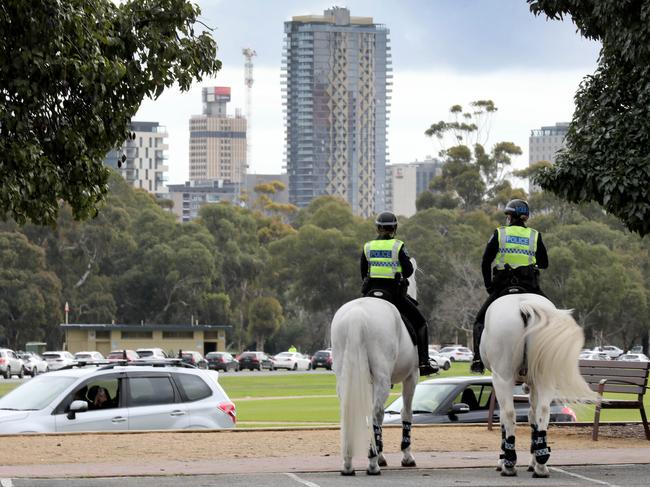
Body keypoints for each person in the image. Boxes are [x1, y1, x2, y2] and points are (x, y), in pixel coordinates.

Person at [470, 199, 549, 374]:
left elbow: (485, 262)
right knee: (555, 318)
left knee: (479, 321)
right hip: (530, 287)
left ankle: (477, 360)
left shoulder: (500, 234)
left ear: (510, 217)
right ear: (525, 218)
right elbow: (544, 263)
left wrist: (488, 285)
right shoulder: (534, 235)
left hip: (502, 286)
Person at [360, 211, 437, 376]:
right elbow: (408, 271)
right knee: (421, 323)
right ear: (394, 229)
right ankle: (424, 363)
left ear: (378, 228)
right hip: (393, 295)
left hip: (370, 294)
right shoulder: (398, 246)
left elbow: (362, 273)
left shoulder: (368, 246)